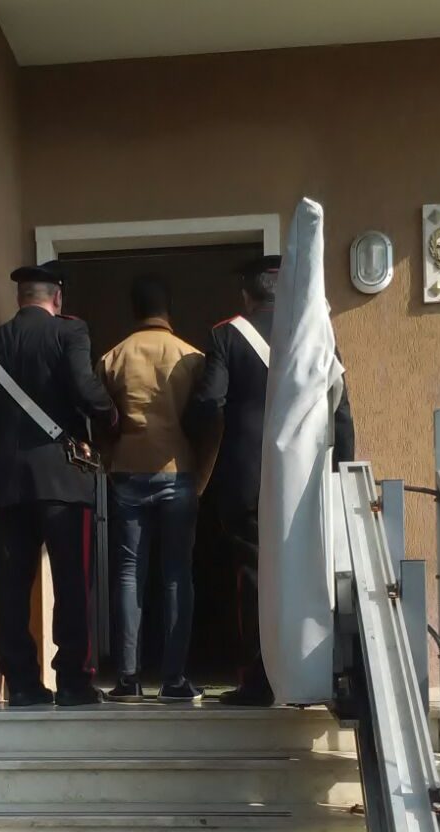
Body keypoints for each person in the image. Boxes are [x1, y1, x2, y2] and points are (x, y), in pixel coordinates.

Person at [184, 254, 355, 706]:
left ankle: (258, 680)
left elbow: (208, 402)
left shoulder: (227, 334)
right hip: (306, 478)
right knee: (309, 572)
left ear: (247, 294)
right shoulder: (316, 333)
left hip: (248, 477)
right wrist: (342, 472)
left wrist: (194, 439)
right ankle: (311, 672)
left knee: (253, 576)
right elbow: (340, 408)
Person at [0, 262, 119, 707]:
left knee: (10, 590)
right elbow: (85, 388)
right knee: (72, 584)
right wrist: (112, 418)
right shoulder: (70, 332)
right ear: (57, 298)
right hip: (63, 480)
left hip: (8, 487)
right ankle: (73, 682)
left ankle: (23, 684)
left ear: (20, 299)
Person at [98, 275, 205, 702]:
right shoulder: (190, 356)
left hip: (127, 469)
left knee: (128, 573)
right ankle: (175, 679)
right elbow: (208, 415)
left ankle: (128, 678)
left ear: (134, 310)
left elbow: (99, 416)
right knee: (177, 574)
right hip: (178, 470)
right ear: (168, 309)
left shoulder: (113, 357)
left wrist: (109, 459)